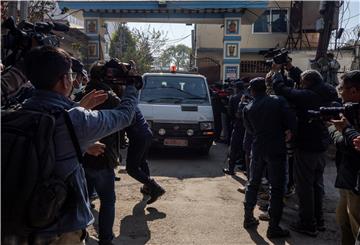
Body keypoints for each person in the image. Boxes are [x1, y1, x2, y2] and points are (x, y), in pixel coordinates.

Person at [3, 46, 138, 245]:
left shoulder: (15, 113)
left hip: (14, 225)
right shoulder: (75, 120)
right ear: (65, 80)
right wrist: (134, 84)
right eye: (71, 75)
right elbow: (125, 116)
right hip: (59, 229)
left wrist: (78, 106)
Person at [272, 69, 338, 236]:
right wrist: (291, 69)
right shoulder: (327, 91)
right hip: (321, 146)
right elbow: (307, 82)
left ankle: (307, 223)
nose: (300, 85)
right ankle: (319, 220)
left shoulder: (308, 96)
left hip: (307, 146)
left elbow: (283, 90)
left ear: (308, 83)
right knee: (316, 184)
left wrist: (277, 77)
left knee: (304, 187)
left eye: (302, 82)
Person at [243, 77, 296, 238]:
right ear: (265, 88)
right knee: (277, 188)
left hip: (258, 147)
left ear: (252, 90)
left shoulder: (248, 107)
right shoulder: (278, 101)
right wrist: (287, 131)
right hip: (276, 147)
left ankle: (248, 218)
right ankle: (273, 227)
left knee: (253, 183)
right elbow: (291, 120)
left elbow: (250, 130)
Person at [327, 70, 360, 245]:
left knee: (355, 225)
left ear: (354, 91)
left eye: (342, 88)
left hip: (355, 182)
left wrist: (335, 129)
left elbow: (351, 145)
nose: (341, 92)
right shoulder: (349, 110)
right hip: (347, 177)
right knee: (343, 220)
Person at [223, 80, 246, 175]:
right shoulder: (249, 96)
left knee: (233, 147)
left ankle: (231, 168)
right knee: (246, 148)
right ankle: (245, 167)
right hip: (249, 127)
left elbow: (230, 113)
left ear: (236, 88)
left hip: (238, 125)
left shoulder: (234, 98)